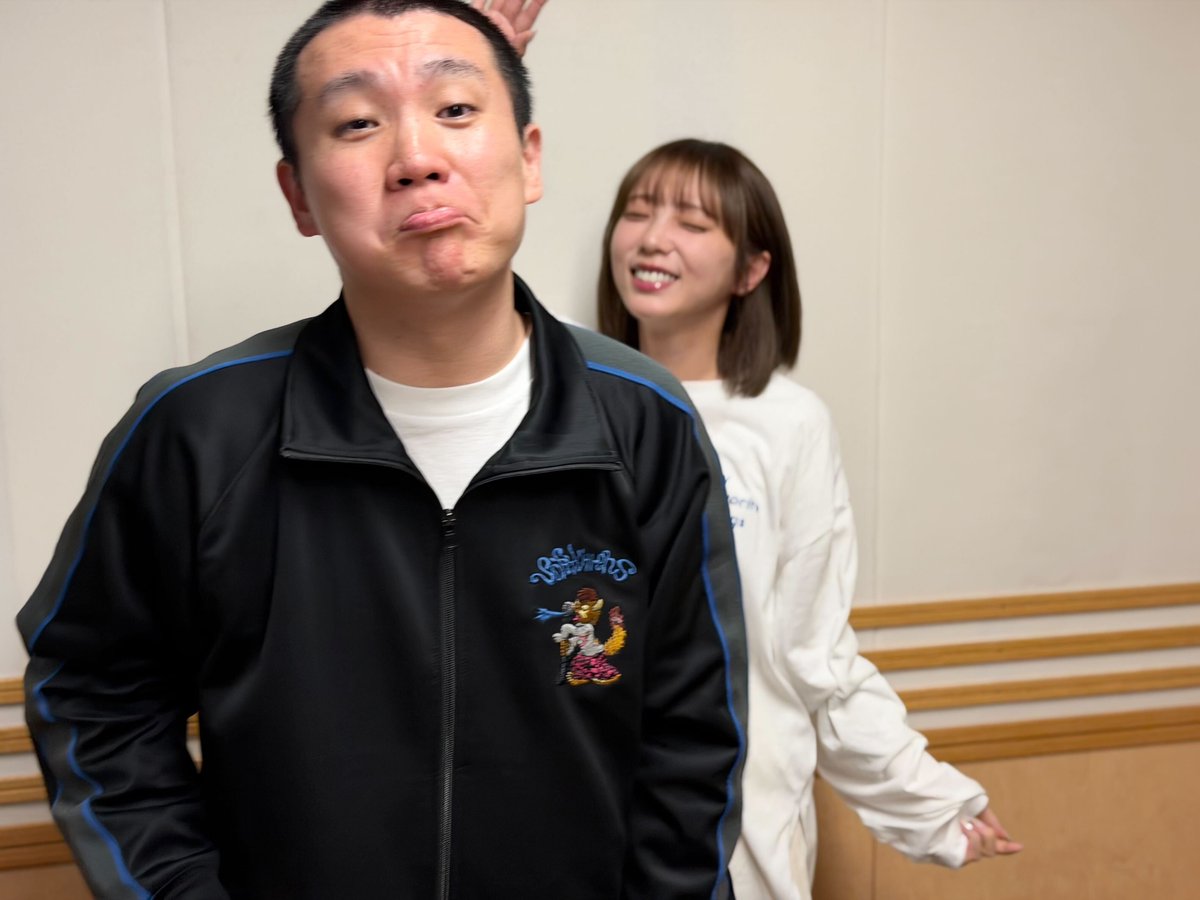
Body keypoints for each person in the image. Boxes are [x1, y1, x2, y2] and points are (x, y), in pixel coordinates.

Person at [17, 3, 747, 897]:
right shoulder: (197, 431)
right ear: (298, 195)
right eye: (358, 124)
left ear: (530, 157)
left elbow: (693, 744)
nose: (416, 158)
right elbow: (93, 693)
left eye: (456, 109)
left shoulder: (644, 421)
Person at [593, 137, 1024, 899]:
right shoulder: (569, 403)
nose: (653, 239)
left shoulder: (788, 424)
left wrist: (924, 799)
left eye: (692, 222)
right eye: (637, 212)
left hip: (739, 815)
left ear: (751, 269)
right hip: (585, 796)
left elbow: (813, 651)